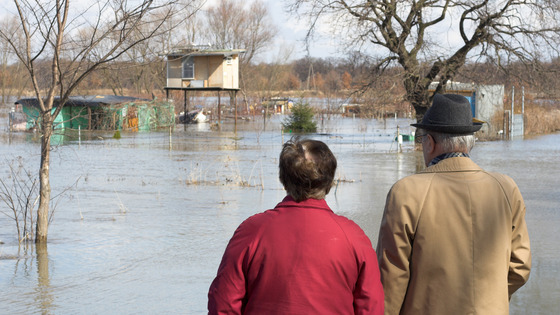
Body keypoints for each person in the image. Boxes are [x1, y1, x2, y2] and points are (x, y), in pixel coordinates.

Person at [376, 94, 531, 315]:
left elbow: (391, 277)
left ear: (429, 142)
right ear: (471, 142)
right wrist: (487, 298)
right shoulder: (506, 188)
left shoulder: (406, 192)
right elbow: (520, 266)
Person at [208, 138, 384, 314]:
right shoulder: (353, 237)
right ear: (329, 181)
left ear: (283, 179)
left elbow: (224, 304)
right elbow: (371, 307)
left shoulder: (251, 231)